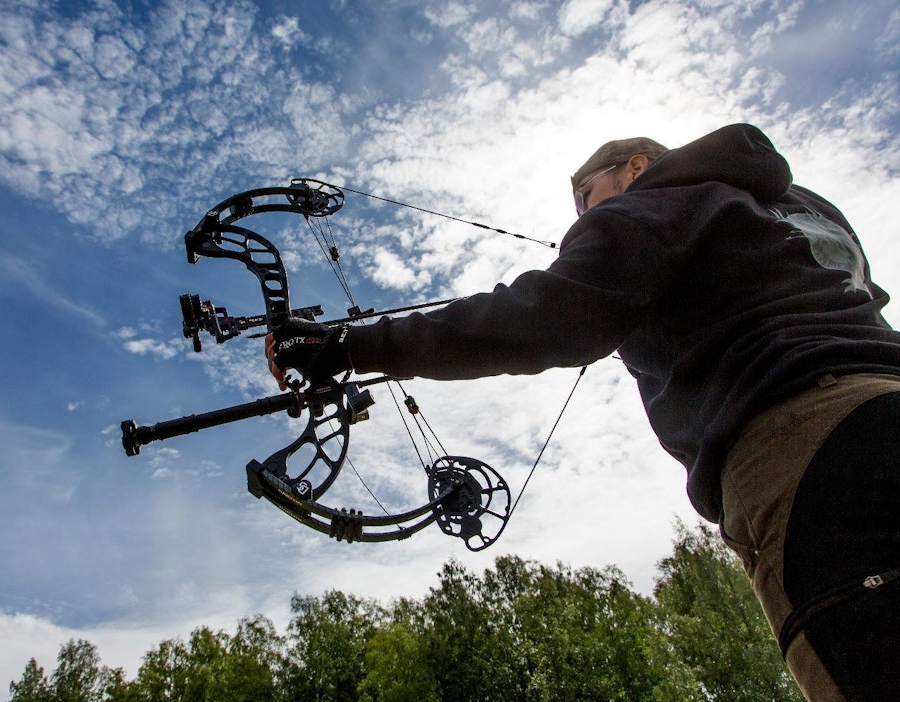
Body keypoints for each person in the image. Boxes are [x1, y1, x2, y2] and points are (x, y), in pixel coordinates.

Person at [266, 123, 900, 701]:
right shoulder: (808, 207)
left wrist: (347, 347)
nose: (585, 213)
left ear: (636, 167)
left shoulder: (657, 200)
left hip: (807, 453)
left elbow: (547, 315)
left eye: (588, 195)